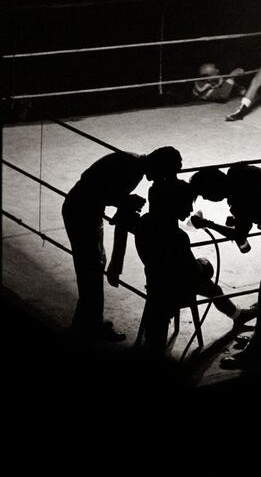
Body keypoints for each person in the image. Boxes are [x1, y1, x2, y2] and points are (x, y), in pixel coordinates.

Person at [115, 179, 257, 354]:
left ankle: (155, 342)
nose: (190, 210)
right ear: (172, 205)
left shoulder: (144, 222)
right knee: (210, 283)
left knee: (202, 287)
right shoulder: (178, 237)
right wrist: (205, 264)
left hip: (154, 282)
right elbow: (194, 271)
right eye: (186, 204)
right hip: (177, 288)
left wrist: (127, 208)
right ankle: (236, 315)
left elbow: (124, 221)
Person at [189, 163, 261, 370]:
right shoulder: (238, 173)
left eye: (206, 195)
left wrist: (207, 223)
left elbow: (239, 235)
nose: (208, 200)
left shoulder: (237, 196)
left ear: (212, 187)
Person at [62, 146, 182, 342]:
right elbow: (100, 189)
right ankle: (89, 326)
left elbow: (98, 185)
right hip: (82, 211)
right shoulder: (132, 168)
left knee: (93, 264)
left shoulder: (133, 164)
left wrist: (123, 200)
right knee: (91, 266)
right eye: (164, 173)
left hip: (85, 209)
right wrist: (124, 200)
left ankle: (88, 320)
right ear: (159, 165)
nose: (159, 179)